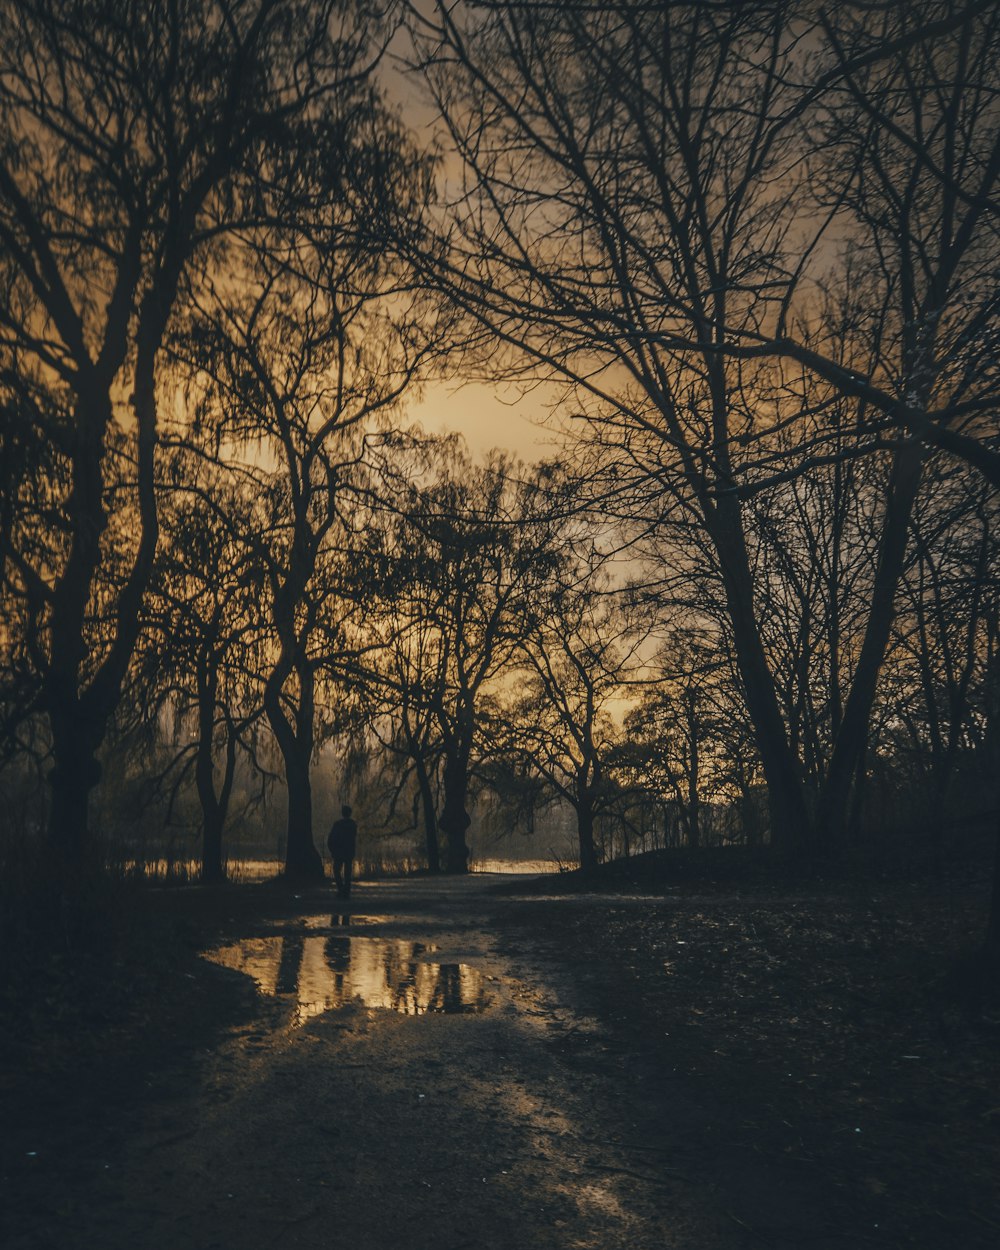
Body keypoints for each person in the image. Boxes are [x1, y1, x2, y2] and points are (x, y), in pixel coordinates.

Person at [327, 804, 358, 899]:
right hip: (348, 851)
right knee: (347, 873)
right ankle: (346, 891)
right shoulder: (353, 825)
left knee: (337, 871)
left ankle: (341, 889)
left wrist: (332, 849)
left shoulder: (337, 824)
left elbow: (331, 838)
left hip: (339, 851)